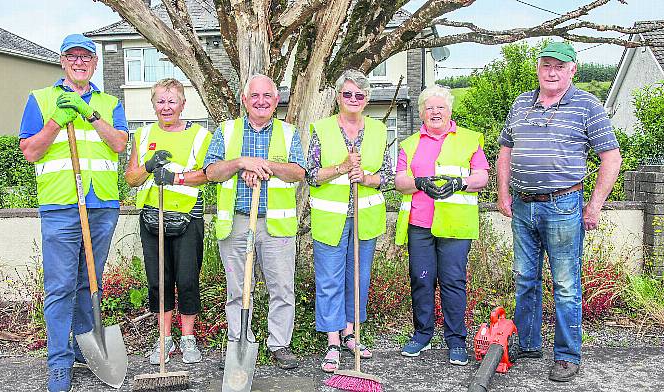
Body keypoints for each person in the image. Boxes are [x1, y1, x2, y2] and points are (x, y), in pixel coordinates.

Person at [496, 41, 622, 382]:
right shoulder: (521, 102)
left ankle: (567, 356)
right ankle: (529, 344)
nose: (552, 72)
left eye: (559, 66)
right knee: (525, 279)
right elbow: (505, 151)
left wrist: (594, 206)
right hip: (523, 205)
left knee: (566, 285)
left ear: (572, 70)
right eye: (546, 65)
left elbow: (611, 158)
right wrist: (503, 191)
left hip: (563, 205)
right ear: (538, 67)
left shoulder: (587, 106)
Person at [19, 34, 128, 392]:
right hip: (60, 205)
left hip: (101, 204)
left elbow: (118, 144)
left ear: (94, 63)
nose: (80, 62)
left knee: (89, 280)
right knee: (60, 285)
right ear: (62, 61)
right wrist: (55, 121)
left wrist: (89, 114)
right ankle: (59, 361)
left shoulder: (110, 102)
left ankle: (85, 347)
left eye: (86, 57)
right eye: (72, 57)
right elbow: (30, 151)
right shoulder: (40, 99)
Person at [204, 74, 306, 369]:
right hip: (236, 224)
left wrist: (263, 166)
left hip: (276, 226)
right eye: (255, 96)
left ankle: (279, 344)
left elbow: (298, 172)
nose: (261, 101)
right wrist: (240, 164)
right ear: (245, 100)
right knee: (237, 288)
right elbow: (211, 172)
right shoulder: (226, 131)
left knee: (282, 288)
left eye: (267, 97)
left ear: (276, 101)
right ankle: (239, 341)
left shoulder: (288, 133)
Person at [394, 85, 489, 366]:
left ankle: (456, 339)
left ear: (450, 111)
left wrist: (461, 183)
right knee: (422, 281)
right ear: (421, 113)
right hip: (420, 225)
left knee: (453, 282)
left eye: (441, 107)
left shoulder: (470, 140)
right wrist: (418, 183)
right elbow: (399, 181)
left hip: (455, 227)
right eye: (429, 108)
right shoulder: (409, 144)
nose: (435, 112)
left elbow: (482, 177)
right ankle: (422, 334)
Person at [307, 69, 394, 373]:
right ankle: (332, 341)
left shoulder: (379, 131)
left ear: (367, 99)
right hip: (330, 219)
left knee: (357, 279)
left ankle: (350, 334)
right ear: (338, 96)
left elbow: (389, 175)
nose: (354, 99)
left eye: (360, 95)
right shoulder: (322, 129)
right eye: (348, 94)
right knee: (330, 279)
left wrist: (367, 177)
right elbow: (312, 175)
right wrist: (341, 167)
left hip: (365, 216)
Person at [124, 78, 212, 365]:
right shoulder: (143, 134)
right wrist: (149, 167)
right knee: (158, 281)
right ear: (152, 104)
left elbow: (208, 174)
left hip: (187, 216)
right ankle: (164, 339)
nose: (166, 107)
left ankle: (187, 338)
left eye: (172, 101)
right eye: (160, 101)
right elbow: (131, 178)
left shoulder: (199, 135)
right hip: (153, 217)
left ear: (183, 104)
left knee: (186, 280)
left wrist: (175, 177)